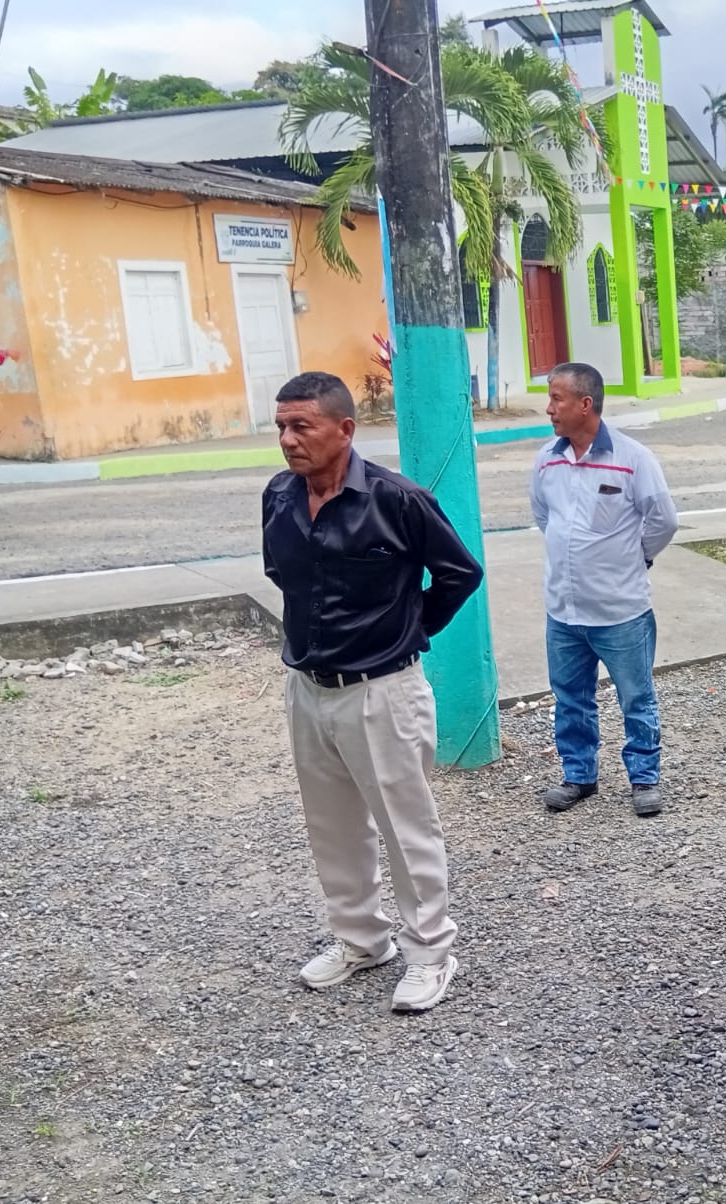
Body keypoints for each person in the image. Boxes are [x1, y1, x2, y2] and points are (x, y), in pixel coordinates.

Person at [261, 371, 483, 1012]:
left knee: (405, 828)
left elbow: (459, 573)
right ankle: (361, 939)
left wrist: (406, 629)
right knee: (332, 826)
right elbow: (283, 576)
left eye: (302, 426)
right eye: (282, 427)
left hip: (382, 690)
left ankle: (430, 953)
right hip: (308, 688)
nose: (288, 439)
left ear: (344, 429)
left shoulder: (398, 500)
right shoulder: (278, 497)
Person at [530, 362, 679, 817]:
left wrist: (636, 558)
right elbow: (544, 516)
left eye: (557, 399)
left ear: (585, 404)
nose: (549, 408)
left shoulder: (633, 459)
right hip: (563, 611)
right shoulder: (547, 459)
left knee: (636, 697)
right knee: (570, 698)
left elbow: (663, 521)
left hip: (621, 611)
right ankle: (579, 775)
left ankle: (644, 778)